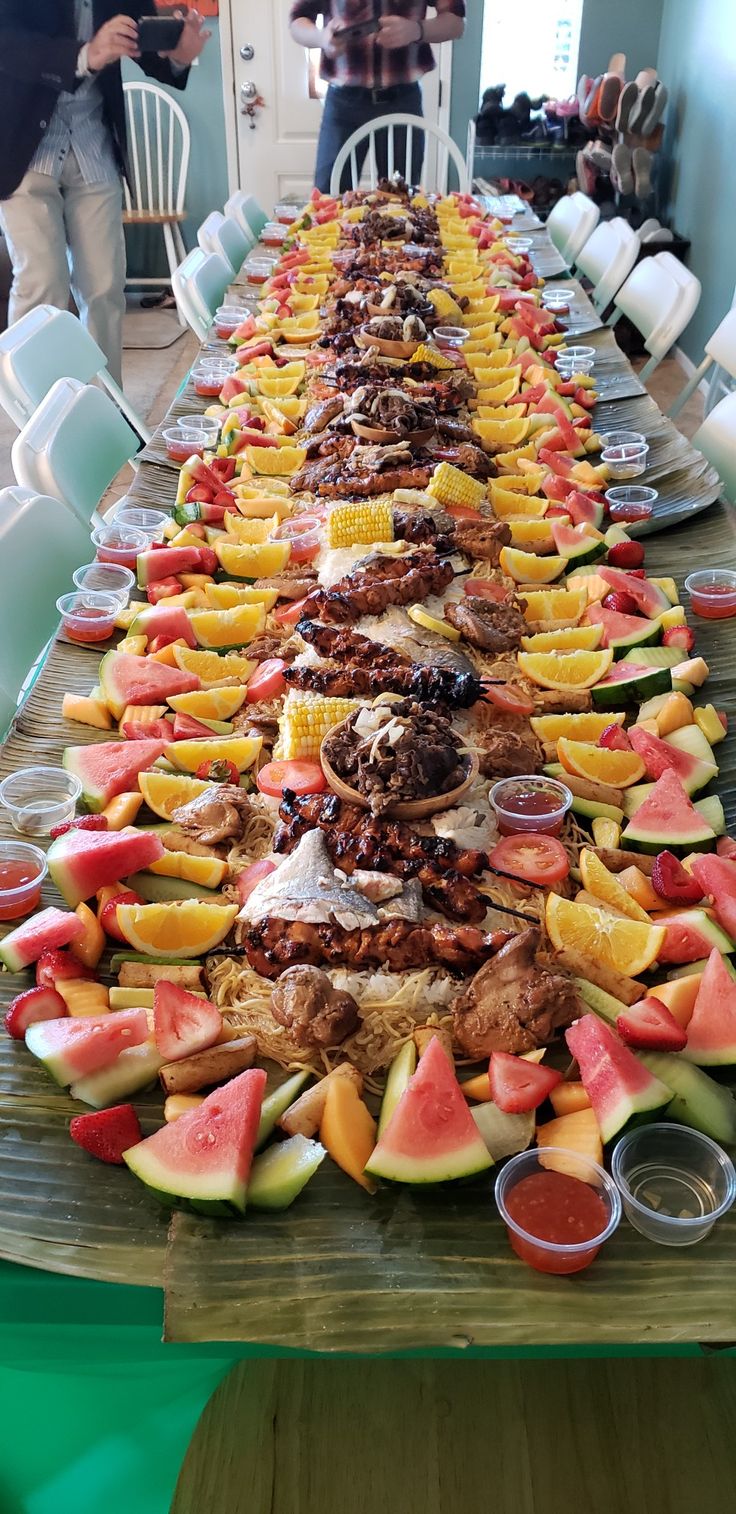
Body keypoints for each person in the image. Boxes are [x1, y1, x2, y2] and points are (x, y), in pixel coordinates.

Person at [0, 4, 211, 384]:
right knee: (41, 285)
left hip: (94, 144)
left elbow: (142, 43)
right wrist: (85, 54)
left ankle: (107, 413)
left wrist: (178, 55)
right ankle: (38, 419)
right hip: (21, 148)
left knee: (105, 288)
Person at [289, 2, 465, 195]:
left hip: (402, 101)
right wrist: (321, 37)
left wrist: (417, 30)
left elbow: (456, 23)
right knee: (328, 199)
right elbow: (297, 20)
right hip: (343, 105)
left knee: (400, 204)